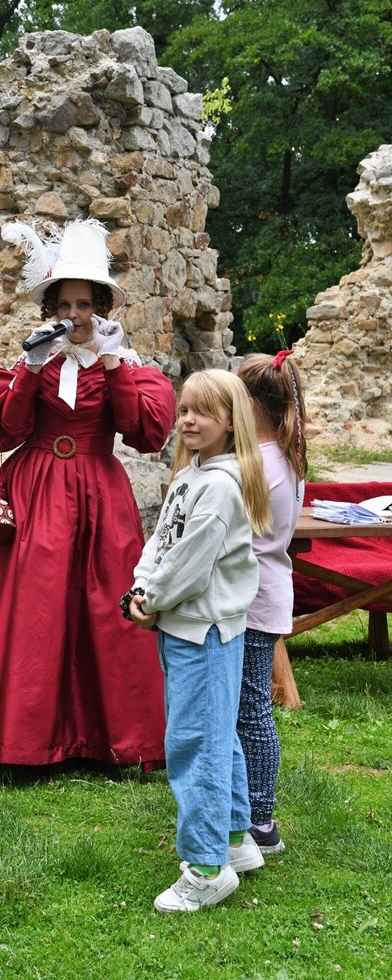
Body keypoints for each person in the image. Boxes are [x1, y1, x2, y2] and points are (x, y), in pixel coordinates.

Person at [0, 218, 176, 767]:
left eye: (85, 305)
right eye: (65, 305)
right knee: (37, 609)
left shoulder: (127, 366)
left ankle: (108, 737)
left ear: (103, 309)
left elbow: (146, 434)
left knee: (103, 606)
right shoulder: (28, 365)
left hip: (101, 494)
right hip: (34, 492)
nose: (75, 316)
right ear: (50, 310)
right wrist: (30, 371)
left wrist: (114, 365)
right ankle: (25, 736)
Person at [122, 368, 272, 912]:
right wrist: (141, 586)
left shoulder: (219, 487)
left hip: (203, 633)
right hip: (188, 628)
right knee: (217, 735)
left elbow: (188, 566)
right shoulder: (193, 476)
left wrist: (152, 599)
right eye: (184, 409)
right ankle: (235, 841)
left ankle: (207, 867)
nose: (187, 419)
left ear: (231, 423)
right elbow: (162, 540)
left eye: (202, 411)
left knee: (195, 745)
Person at [235, 350, 307, 855]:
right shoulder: (285, 456)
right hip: (268, 590)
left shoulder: (259, 465)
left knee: (251, 709)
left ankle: (260, 817)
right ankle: (253, 809)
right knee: (251, 705)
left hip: (252, 597)